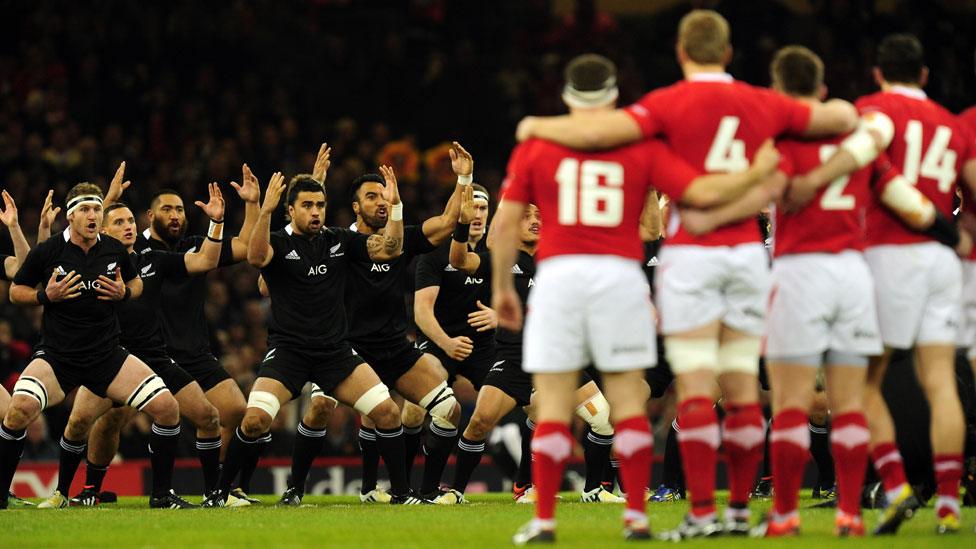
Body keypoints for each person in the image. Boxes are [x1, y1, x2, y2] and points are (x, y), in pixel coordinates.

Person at [516, 10, 859, 538]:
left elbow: (603, 128)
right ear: (727, 53)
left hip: (692, 255)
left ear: (680, 52)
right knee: (744, 387)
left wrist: (537, 126)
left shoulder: (664, 104)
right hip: (747, 252)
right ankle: (742, 510)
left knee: (697, 389)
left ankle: (702, 512)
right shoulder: (763, 102)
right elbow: (840, 119)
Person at [493, 53, 781, 544]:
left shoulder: (538, 147)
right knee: (628, 402)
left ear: (566, 97)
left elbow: (504, 222)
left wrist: (502, 286)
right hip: (619, 278)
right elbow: (663, 217)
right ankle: (636, 517)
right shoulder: (638, 148)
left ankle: (543, 519)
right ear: (612, 97)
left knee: (556, 399)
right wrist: (757, 177)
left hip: (561, 277)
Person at [682, 45, 961, 537]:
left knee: (790, 402)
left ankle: (785, 515)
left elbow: (761, 190)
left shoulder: (782, 138)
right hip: (852, 275)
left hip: (800, 274)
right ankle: (851, 515)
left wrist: (708, 213)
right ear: (824, 88)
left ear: (778, 90)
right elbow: (907, 202)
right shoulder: (858, 140)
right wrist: (949, 232)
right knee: (850, 401)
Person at [793, 34, 976, 535]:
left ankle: (894, 487)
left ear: (876, 73)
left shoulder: (871, 110)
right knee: (941, 382)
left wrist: (811, 182)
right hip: (942, 263)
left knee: (857, 383)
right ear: (924, 76)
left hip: (888, 255)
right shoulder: (952, 123)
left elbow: (863, 154)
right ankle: (948, 505)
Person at [205, 168, 425, 506]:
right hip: (289, 352)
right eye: (307, 205)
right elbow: (254, 257)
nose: (316, 211)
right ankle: (219, 493)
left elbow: (391, 249)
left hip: (335, 353)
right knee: (255, 421)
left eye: (320, 205)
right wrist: (263, 210)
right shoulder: (278, 241)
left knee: (387, 413)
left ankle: (401, 494)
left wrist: (395, 206)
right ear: (290, 210)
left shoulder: (339, 240)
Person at [277, 142, 463, 505]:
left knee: (449, 408)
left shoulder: (400, 237)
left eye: (384, 196)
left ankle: (418, 491)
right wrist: (314, 182)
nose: (380, 201)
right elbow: (301, 241)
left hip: (394, 347)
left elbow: (446, 223)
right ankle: (295, 489)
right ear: (355, 206)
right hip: (345, 348)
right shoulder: (338, 244)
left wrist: (463, 178)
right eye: (372, 196)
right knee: (319, 408)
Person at [37, 180, 227, 508]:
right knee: (81, 421)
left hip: (154, 356)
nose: (129, 227)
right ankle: (71, 493)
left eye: (130, 222)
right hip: (109, 359)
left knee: (208, 416)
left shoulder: (151, 258)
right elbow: (49, 264)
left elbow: (205, 262)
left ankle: (211, 496)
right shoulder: (89, 263)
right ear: (103, 231)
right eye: (120, 222)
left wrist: (217, 221)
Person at [0, 183, 187, 509]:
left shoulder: (114, 250)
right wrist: (47, 296)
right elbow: (17, 292)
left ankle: (160, 496)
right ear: (71, 215)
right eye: (85, 209)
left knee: (168, 410)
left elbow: (136, 283)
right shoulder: (50, 251)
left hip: (106, 354)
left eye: (97, 209)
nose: (92, 215)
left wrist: (123, 293)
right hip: (58, 355)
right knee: (18, 412)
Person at [441, 189, 623, 505]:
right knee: (479, 423)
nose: (535, 221)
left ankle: (592, 490)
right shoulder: (503, 260)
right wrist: (462, 225)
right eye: (527, 216)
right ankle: (454, 491)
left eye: (539, 216)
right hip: (513, 358)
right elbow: (459, 259)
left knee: (603, 419)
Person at [112, 163, 261, 504]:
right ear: (150, 215)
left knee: (236, 412)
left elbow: (243, 245)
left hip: (194, 351)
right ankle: (88, 488)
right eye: (167, 209)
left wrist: (252, 204)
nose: (175, 215)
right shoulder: (132, 248)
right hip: (145, 354)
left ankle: (221, 487)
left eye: (180, 209)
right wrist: (109, 202)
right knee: (106, 422)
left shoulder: (196, 246)